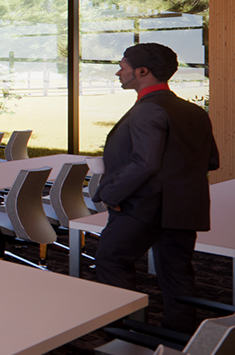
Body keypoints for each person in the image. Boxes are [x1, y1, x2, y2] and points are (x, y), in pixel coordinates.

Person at [93, 43, 219, 332]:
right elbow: (210, 160)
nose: (118, 73)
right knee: (177, 271)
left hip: (143, 206)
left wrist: (110, 193)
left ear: (142, 71)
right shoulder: (194, 111)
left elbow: (145, 164)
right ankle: (181, 335)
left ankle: (126, 333)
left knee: (111, 260)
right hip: (184, 206)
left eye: (122, 68)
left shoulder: (146, 112)